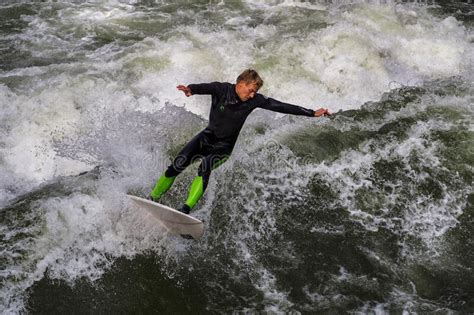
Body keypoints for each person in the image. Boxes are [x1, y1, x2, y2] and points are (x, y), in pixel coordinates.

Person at [149, 69, 330, 214]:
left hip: (224, 147)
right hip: (206, 137)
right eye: (251, 90)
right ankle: (152, 198)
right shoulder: (221, 89)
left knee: (205, 166)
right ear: (240, 84)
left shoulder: (254, 100)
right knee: (177, 165)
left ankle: (185, 209)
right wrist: (190, 89)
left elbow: (281, 106)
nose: (252, 95)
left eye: (255, 92)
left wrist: (311, 112)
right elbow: (203, 87)